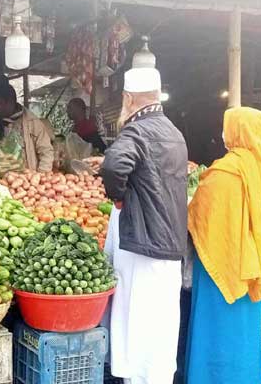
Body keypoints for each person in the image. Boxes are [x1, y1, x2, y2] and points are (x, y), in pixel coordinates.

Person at [100, 63, 188, 384]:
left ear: (128, 98)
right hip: (169, 244)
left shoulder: (137, 130)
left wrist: (119, 198)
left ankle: (136, 376)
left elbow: (114, 165)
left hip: (142, 243)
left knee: (135, 316)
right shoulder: (174, 133)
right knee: (161, 321)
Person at [186, 107, 261, 383]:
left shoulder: (224, 172)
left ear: (234, 132)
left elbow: (200, 214)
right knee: (244, 333)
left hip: (220, 260)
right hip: (251, 266)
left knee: (214, 327)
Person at [0, 84, 54, 172]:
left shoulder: (33, 123)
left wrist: (42, 175)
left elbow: (46, 152)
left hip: (25, 180)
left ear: (11, 102)